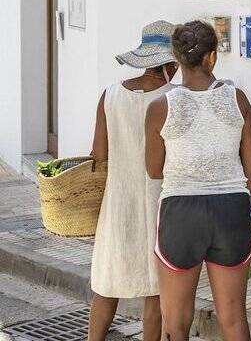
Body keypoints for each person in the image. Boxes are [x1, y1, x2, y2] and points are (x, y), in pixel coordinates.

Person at [145, 20, 251, 341]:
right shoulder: (238, 99)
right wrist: (233, 192)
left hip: (180, 212)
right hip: (231, 210)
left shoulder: (159, 108)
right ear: (212, 57)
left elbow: (154, 170)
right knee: (234, 319)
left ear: (176, 58)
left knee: (175, 325)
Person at [88, 20, 179, 341]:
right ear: (169, 63)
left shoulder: (110, 95)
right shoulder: (173, 98)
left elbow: (98, 153)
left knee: (106, 285)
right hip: (160, 205)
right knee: (155, 291)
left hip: (116, 205)